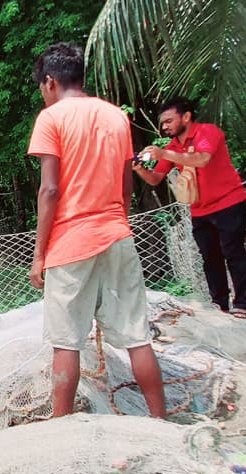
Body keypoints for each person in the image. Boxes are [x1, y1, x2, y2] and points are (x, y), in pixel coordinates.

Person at [26, 42, 166, 419]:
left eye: (42, 86)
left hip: (71, 244)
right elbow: (126, 186)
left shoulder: (51, 119)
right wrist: (115, 217)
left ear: (51, 81)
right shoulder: (115, 117)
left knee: (66, 343)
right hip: (117, 234)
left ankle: (61, 426)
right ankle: (160, 420)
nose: (43, 93)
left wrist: (39, 255)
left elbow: (50, 190)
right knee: (138, 336)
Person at [133, 97, 246, 319]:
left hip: (229, 202)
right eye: (163, 123)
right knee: (210, 257)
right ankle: (220, 304)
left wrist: (164, 154)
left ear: (186, 116)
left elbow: (202, 159)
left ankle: (243, 305)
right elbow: (155, 178)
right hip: (200, 209)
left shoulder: (207, 132)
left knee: (234, 253)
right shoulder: (173, 146)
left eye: (169, 120)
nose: (165, 126)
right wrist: (139, 168)